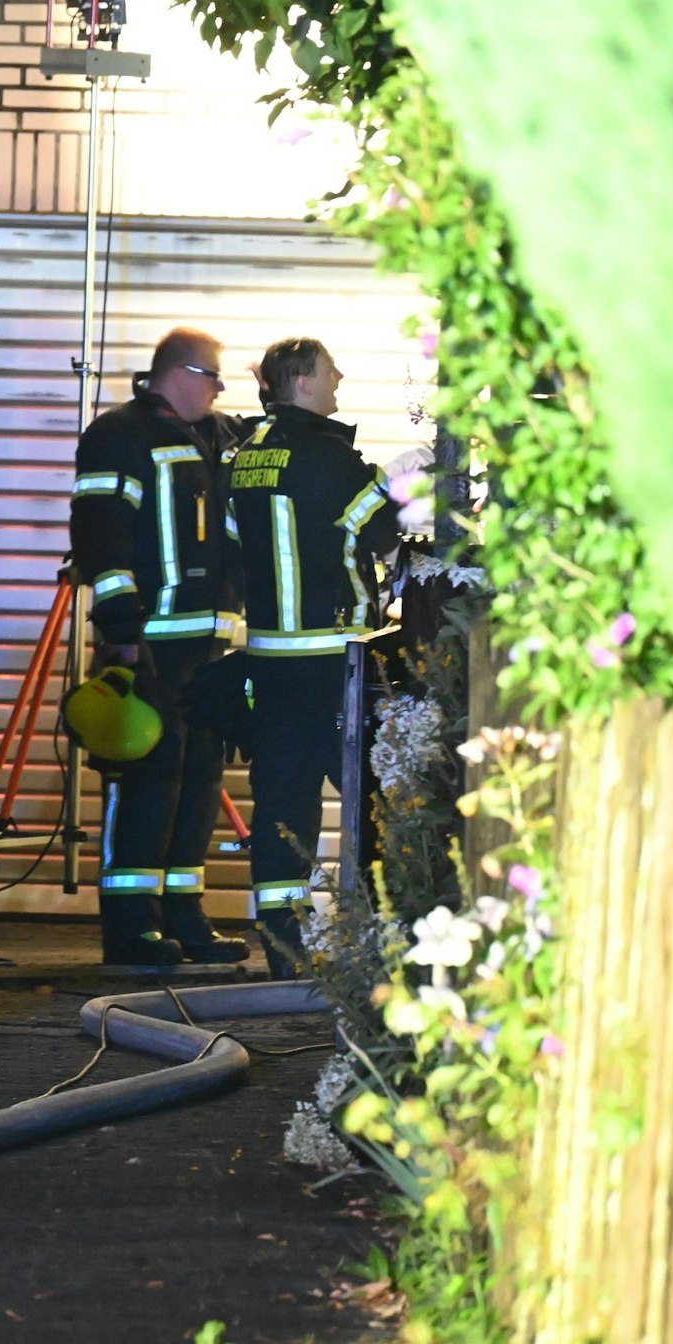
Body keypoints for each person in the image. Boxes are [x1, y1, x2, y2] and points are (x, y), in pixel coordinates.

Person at [70, 327, 252, 968]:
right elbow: (100, 530)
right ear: (180, 373)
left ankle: (184, 918)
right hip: (147, 644)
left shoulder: (223, 438)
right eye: (215, 377)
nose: (221, 390)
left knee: (200, 782)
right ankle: (130, 929)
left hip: (212, 649)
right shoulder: (120, 434)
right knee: (149, 781)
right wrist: (119, 628)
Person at [230, 336, 399, 977]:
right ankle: (382, 941)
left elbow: (230, 547)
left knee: (280, 802)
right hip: (336, 657)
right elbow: (389, 539)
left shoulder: (242, 456)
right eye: (331, 371)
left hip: (270, 660)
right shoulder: (334, 462)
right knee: (375, 798)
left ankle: (282, 948)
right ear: (301, 381)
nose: (341, 378)